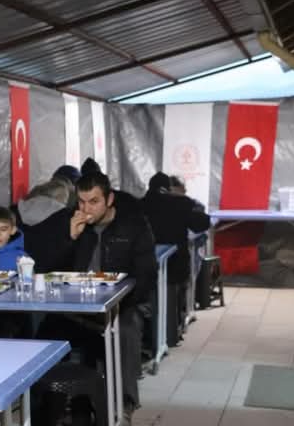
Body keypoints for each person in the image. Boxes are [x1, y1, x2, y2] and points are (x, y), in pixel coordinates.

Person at [29, 171, 157, 410]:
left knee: (125, 330)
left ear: (109, 200)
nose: (86, 209)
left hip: (121, 306)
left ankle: (124, 403)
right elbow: (45, 267)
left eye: (94, 201)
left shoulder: (133, 225)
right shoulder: (69, 221)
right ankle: (44, 404)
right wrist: (69, 239)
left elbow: (147, 274)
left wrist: (121, 300)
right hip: (75, 308)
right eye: (81, 201)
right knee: (45, 333)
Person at [142, 172, 211, 343]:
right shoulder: (181, 203)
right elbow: (201, 224)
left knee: (148, 301)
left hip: (146, 264)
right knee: (174, 298)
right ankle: (172, 334)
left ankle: (152, 336)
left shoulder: (139, 204)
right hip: (175, 263)